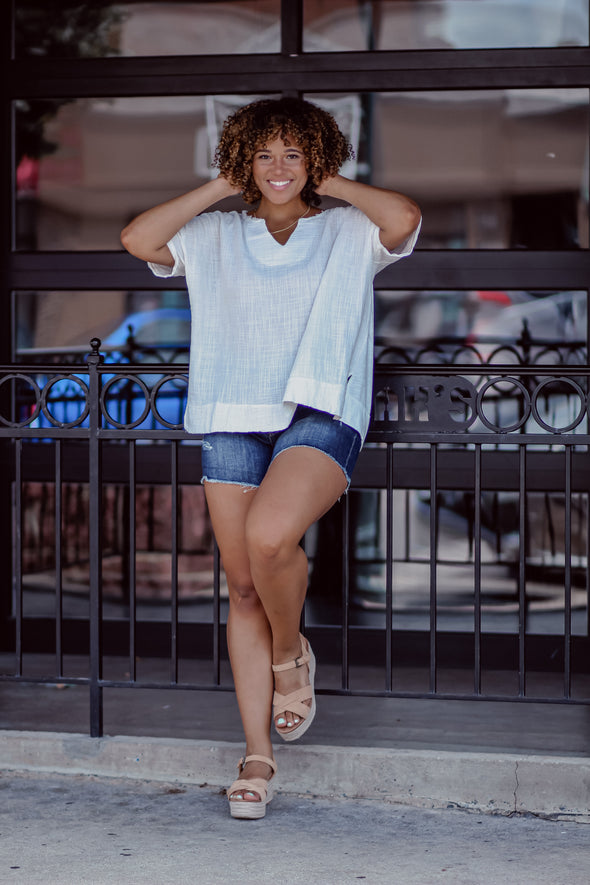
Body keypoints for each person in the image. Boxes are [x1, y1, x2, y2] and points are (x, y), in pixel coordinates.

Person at [120, 96, 421, 819]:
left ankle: (291, 658)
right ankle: (257, 753)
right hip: (233, 412)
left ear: (315, 156)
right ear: (242, 160)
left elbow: (404, 219)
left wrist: (327, 178)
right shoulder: (217, 233)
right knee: (243, 585)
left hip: (321, 408)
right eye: (263, 154)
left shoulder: (348, 229)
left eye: (293, 152)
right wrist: (224, 183)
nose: (278, 168)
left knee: (267, 538)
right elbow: (138, 238)